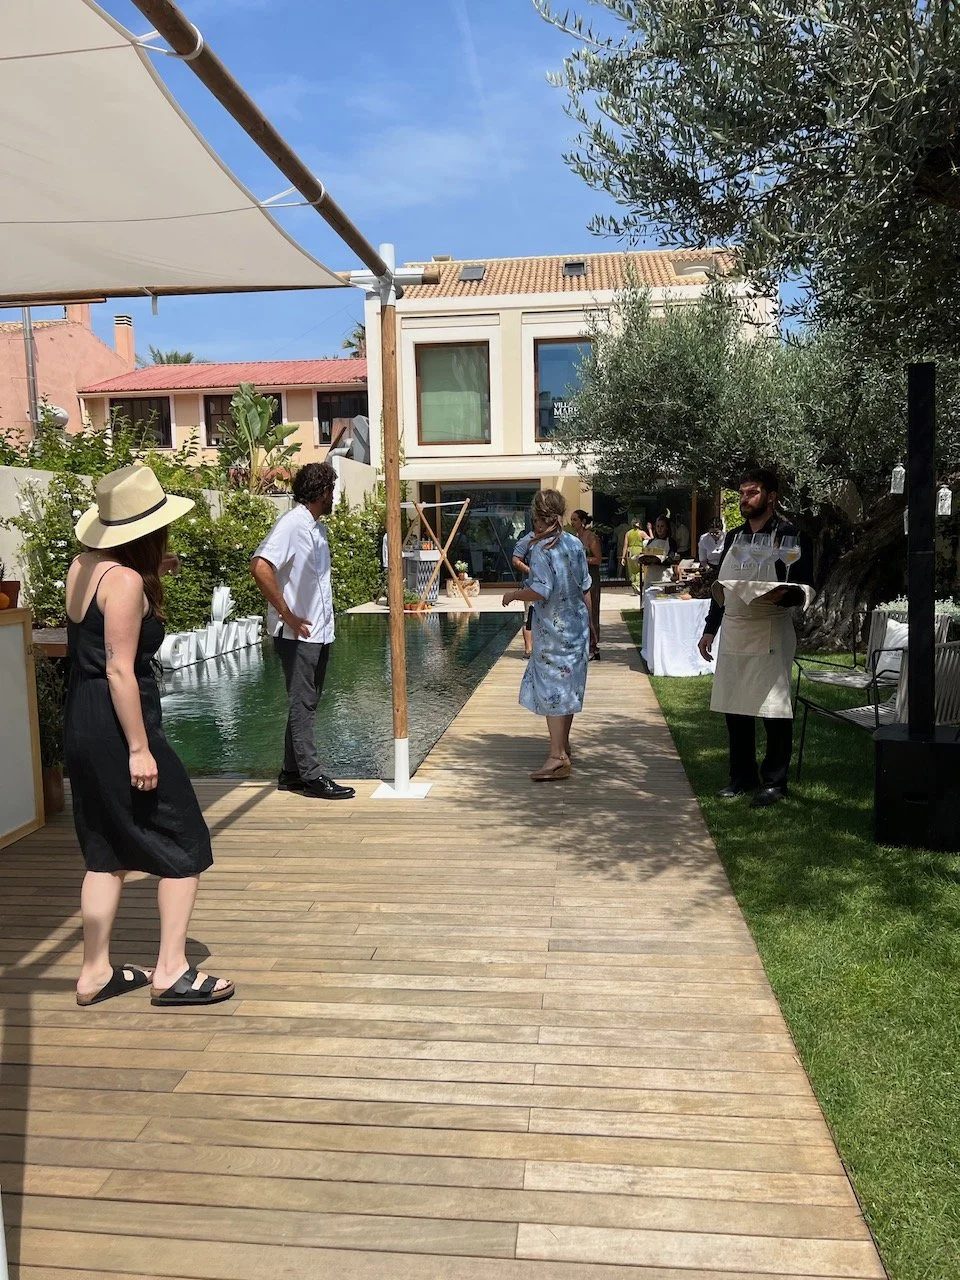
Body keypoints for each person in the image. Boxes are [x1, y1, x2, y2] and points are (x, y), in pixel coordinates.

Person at [65, 463, 233, 1008]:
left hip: (83, 718)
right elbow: (119, 669)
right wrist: (139, 748)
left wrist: (152, 569)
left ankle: (94, 973)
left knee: (103, 848)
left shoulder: (83, 567)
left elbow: (96, 635)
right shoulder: (127, 582)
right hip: (121, 723)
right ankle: (171, 970)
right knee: (185, 841)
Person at [697, 468, 814, 808]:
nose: (744, 499)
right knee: (735, 707)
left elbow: (803, 586)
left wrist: (784, 596)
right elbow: (722, 587)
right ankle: (741, 775)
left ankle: (775, 782)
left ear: (771, 496)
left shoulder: (791, 536)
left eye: (752, 493)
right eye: (742, 494)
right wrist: (710, 628)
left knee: (773, 709)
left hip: (770, 628)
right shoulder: (734, 537)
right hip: (735, 629)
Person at [251, 462, 355, 801]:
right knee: (302, 703)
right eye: (332, 490)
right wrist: (287, 614)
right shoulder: (292, 525)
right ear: (322, 491)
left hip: (319, 632)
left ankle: (291, 773)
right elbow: (260, 566)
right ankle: (311, 777)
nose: (334, 497)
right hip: (297, 636)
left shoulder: (316, 529)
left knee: (306, 702)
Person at [501, 490, 595, 781]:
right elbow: (586, 586)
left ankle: (556, 757)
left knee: (553, 689)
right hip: (577, 627)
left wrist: (514, 595)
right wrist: (592, 624)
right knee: (568, 687)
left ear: (538, 518)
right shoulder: (575, 543)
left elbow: (541, 590)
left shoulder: (542, 549)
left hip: (553, 632)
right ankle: (562, 746)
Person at [571, 509, 602, 659]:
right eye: (571, 519)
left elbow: (598, 559)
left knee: (592, 611)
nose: (572, 523)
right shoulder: (574, 538)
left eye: (575, 520)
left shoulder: (591, 537)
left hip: (591, 578)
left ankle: (593, 646)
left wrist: (582, 559)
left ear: (583, 521)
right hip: (577, 580)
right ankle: (582, 645)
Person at [511, 527, 536, 658]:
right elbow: (516, 560)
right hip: (530, 585)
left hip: (548, 586)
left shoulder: (552, 538)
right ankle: (528, 649)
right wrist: (531, 571)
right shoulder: (526, 540)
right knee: (529, 618)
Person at [640, 514, 678, 588]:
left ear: (667, 528)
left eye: (662, 526)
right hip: (650, 576)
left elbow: (671, 559)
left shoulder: (671, 542)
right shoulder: (650, 542)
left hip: (664, 576)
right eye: (658, 526)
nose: (659, 529)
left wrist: (658, 560)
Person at [621, 518, 646, 593]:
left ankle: (634, 584)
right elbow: (650, 540)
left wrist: (623, 557)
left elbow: (625, 545)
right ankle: (637, 583)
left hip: (630, 551)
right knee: (641, 569)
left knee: (632, 571)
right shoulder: (641, 533)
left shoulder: (628, 533)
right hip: (638, 551)